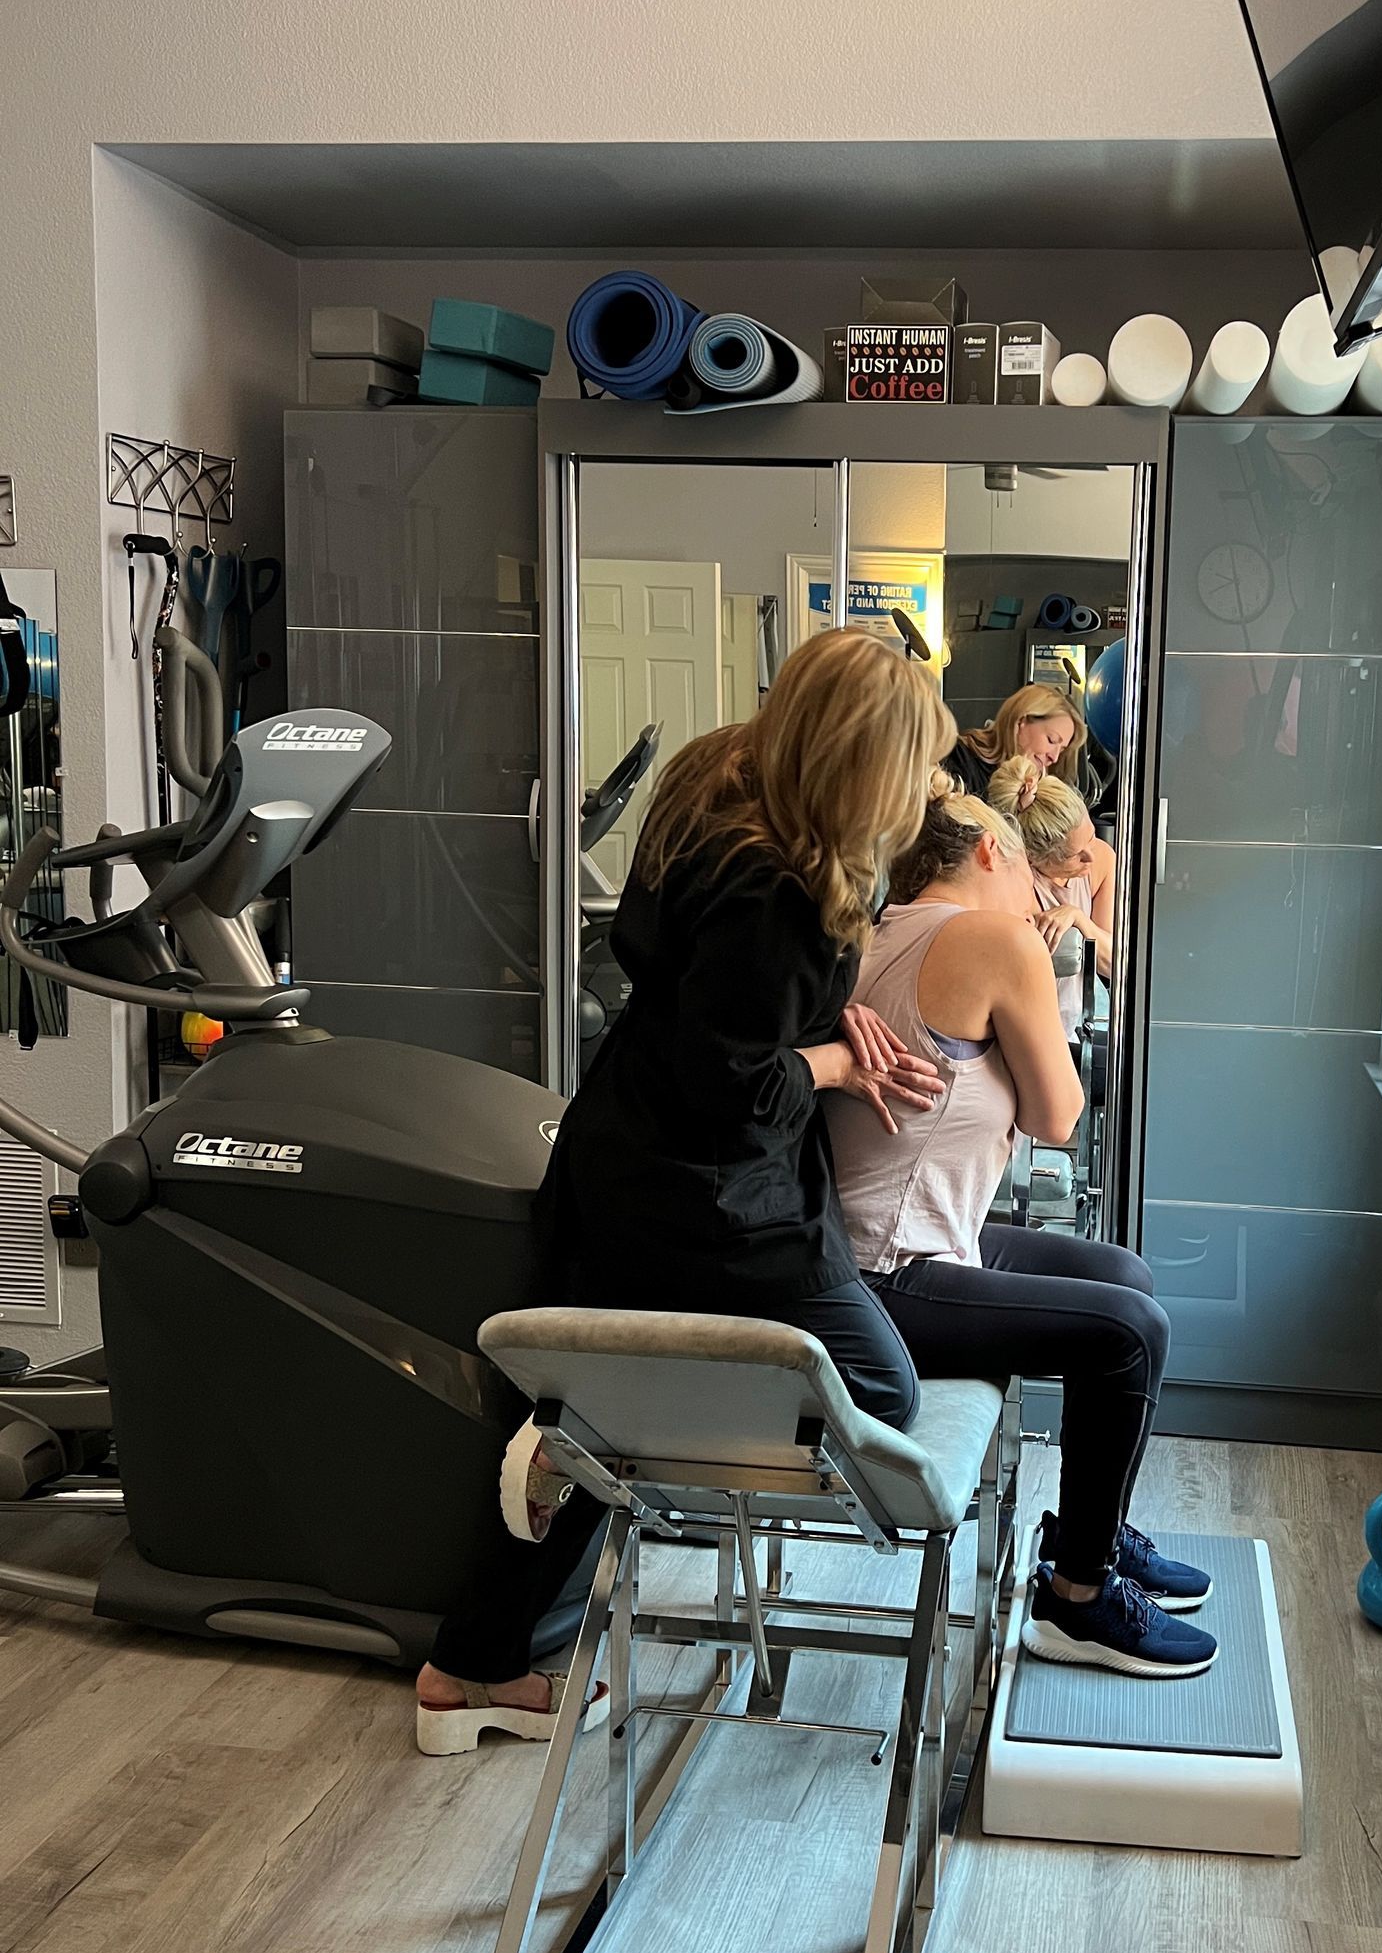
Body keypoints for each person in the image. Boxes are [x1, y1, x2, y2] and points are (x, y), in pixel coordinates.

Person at [415, 631, 954, 1753]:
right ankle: (608, 1444)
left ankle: (468, 1665)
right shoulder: (787, 891)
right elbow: (736, 1084)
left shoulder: (719, 774)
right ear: (862, 761)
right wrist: (835, 1061)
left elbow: (692, 978)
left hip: (617, 1148)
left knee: (560, 1402)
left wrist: (814, 1013)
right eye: (916, 770)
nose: (923, 797)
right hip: (707, 1189)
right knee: (880, 1395)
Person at [824, 779, 1216, 1678]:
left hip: (908, 1237)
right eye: (1028, 871)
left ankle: (1097, 1534)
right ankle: (1075, 1601)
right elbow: (1060, 1116)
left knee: (1127, 1276)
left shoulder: (881, 932)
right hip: (889, 1275)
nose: (1044, 895)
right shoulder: (989, 939)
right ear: (990, 850)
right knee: (1131, 1332)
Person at [988, 753, 1116, 1039]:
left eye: (1092, 837)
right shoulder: (1015, 881)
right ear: (1034, 858)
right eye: (1075, 855)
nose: (1090, 856)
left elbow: (1114, 965)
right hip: (1031, 1028)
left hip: (1086, 1021)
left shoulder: (1103, 860)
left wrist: (1078, 918)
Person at [944, 681, 1085, 800]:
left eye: (1062, 749)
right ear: (1021, 722)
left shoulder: (1036, 788)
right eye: (1051, 740)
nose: (1054, 758)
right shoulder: (959, 759)